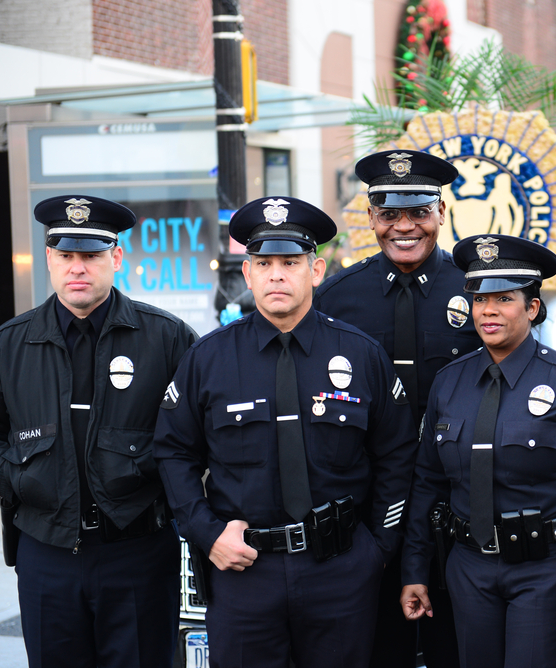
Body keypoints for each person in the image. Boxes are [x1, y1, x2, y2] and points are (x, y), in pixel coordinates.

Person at [152, 196, 419, 668]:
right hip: (242, 571)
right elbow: (173, 452)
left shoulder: (361, 355)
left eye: (291, 262)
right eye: (264, 263)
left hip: (340, 570)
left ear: (315, 271)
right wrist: (206, 534)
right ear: (248, 273)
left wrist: (377, 547)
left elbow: (397, 456)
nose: (277, 274)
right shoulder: (208, 359)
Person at [0, 195, 197, 667]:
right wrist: (20, 478)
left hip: (139, 553)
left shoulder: (167, 338)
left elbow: (196, 438)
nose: (77, 268)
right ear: (49, 258)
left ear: (117, 257)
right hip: (46, 553)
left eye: (91, 255)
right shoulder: (8, 345)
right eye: (66, 255)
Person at [400, 235, 556, 668]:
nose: (489, 311)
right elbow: (426, 482)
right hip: (467, 569)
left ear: (532, 308)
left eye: (504, 299)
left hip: (546, 570)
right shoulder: (449, 382)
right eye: (480, 300)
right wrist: (414, 570)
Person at [315, 150, 480, 668]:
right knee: (379, 645)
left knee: (458, 644)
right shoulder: (336, 298)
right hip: (369, 508)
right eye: (388, 214)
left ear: (442, 212)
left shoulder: (478, 289)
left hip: (460, 503)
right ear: (370, 217)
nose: (404, 227)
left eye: (418, 212)